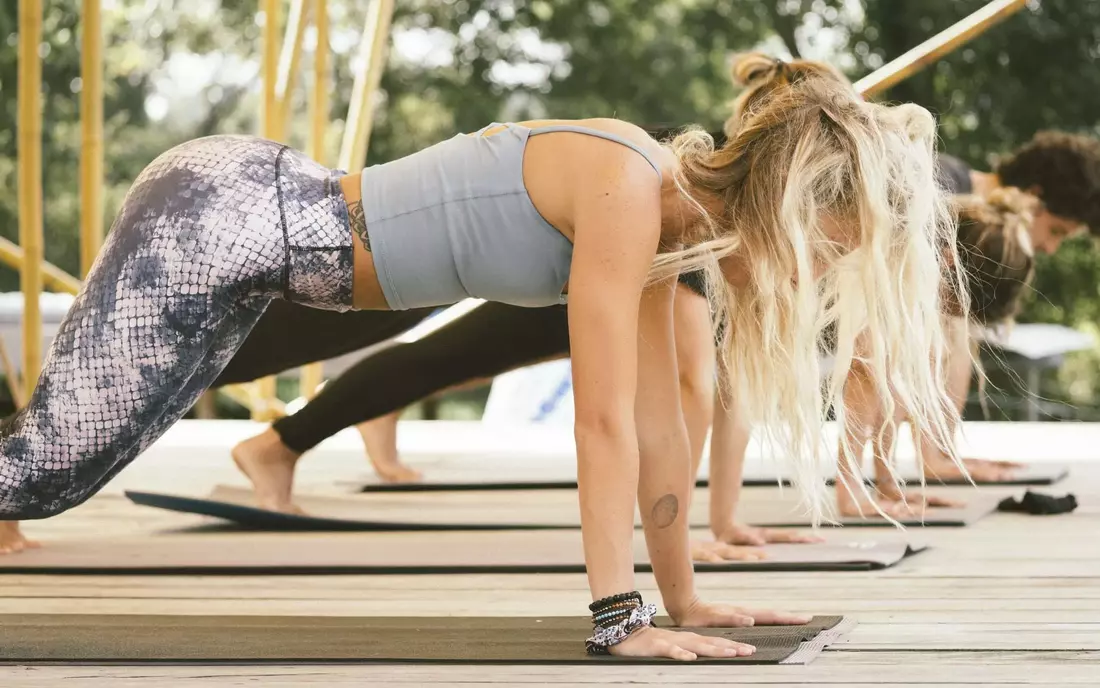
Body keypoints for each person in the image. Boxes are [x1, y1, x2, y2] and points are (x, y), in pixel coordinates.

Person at [0, 51, 961, 659]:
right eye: (825, 249)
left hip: (272, 242)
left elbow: (667, 423)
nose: (815, 276)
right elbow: (603, 422)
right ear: (786, 209)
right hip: (228, 219)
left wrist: (687, 599)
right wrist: (619, 619)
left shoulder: (670, 223)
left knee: (59, 457)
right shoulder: (630, 185)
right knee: (46, 471)